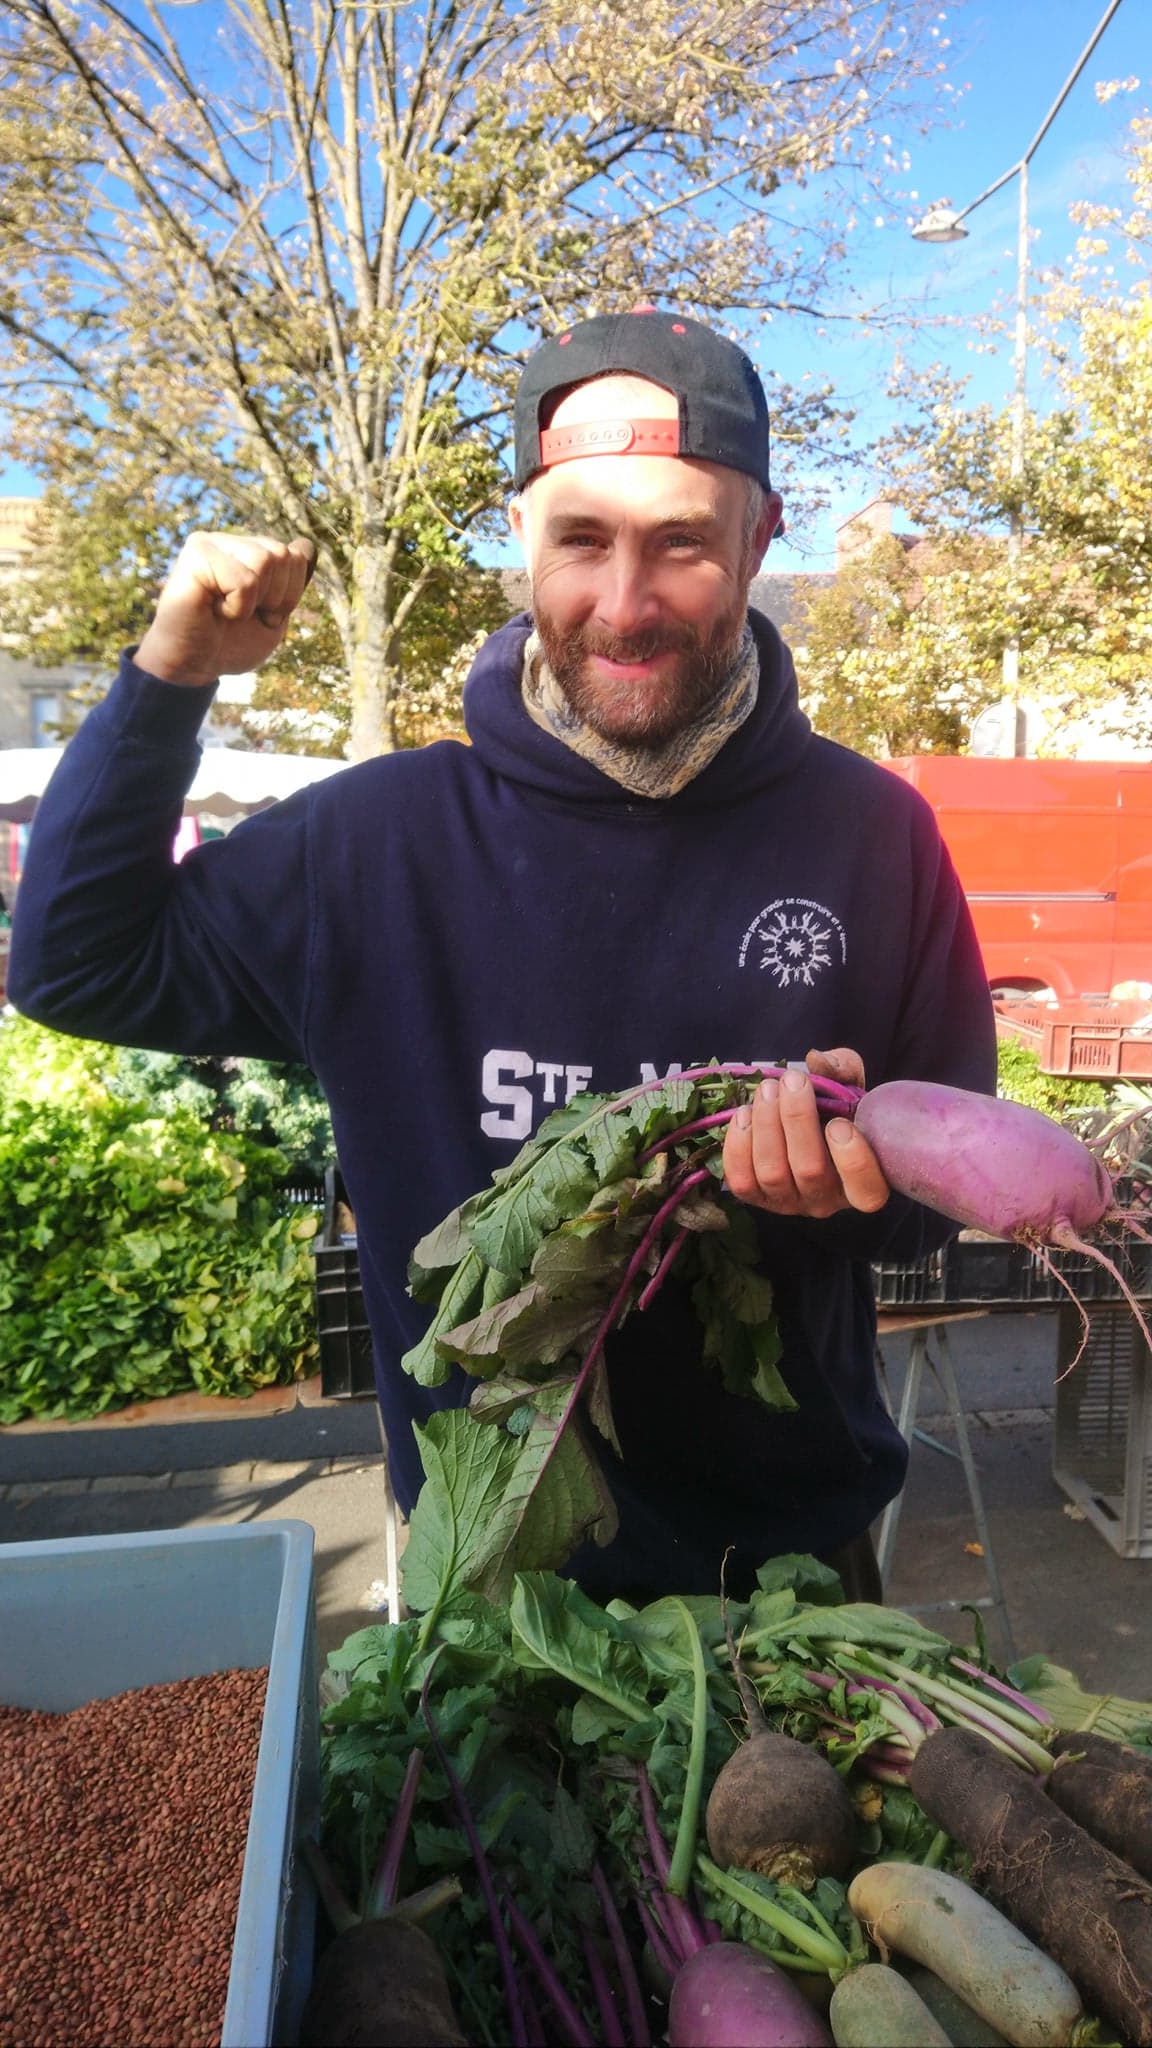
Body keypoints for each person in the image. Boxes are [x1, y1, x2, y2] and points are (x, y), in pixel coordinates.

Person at [8, 309, 996, 1604]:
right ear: (518, 532)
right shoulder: (375, 843)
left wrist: (853, 1181)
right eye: (581, 539)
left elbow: (950, 1180)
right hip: (485, 1598)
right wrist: (175, 671)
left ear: (760, 536)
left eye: (684, 543)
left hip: (800, 1589)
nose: (625, 605)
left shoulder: (876, 837)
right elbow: (74, 960)